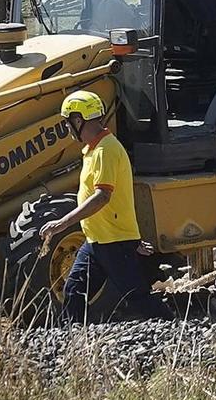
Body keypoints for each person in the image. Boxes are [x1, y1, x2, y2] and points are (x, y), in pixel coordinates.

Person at [38, 89, 166, 321]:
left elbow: (102, 197)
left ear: (78, 120)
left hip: (114, 241)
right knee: (73, 290)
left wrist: (61, 224)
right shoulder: (93, 150)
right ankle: (72, 340)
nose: (67, 129)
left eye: (68, 123)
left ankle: (174, 330)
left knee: (136, 296)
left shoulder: (106, 150)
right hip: (97, 239)